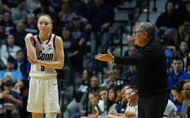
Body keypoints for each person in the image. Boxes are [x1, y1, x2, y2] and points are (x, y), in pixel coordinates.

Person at [95, 22, 169, 118]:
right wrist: (138, 92)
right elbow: (147, 75)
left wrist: (113, 59)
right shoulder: (147, 48)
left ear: (145, 34)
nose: (134, 36)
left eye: (136, 33)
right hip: (146, 95)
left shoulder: (153, 48)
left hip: (154, 96)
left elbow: (134, 60)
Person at [24, 14, 64, 118]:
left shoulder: (56, 40)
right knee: (36, 115)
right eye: (41, 23)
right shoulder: (33, 40)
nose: (43, 25)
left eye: (46, 23)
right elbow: (32, 59)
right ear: (37, 25)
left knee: (51, 115)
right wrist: (27, 40)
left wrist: (41, 62)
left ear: (51, 26)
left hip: (50, 80)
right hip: (35, 79)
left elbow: (60, 64)